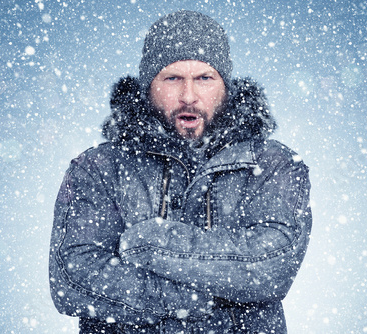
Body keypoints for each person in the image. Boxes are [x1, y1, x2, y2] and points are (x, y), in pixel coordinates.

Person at [49, 10, 312, 334]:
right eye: (172, 78)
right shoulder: (99, 169)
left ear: (226, 87)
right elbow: (73, 278)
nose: (188, 96)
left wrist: (150, 243)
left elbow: (271, 267)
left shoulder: (273, 163)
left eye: (204, 78)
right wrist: (186, 298)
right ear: (148, 86)